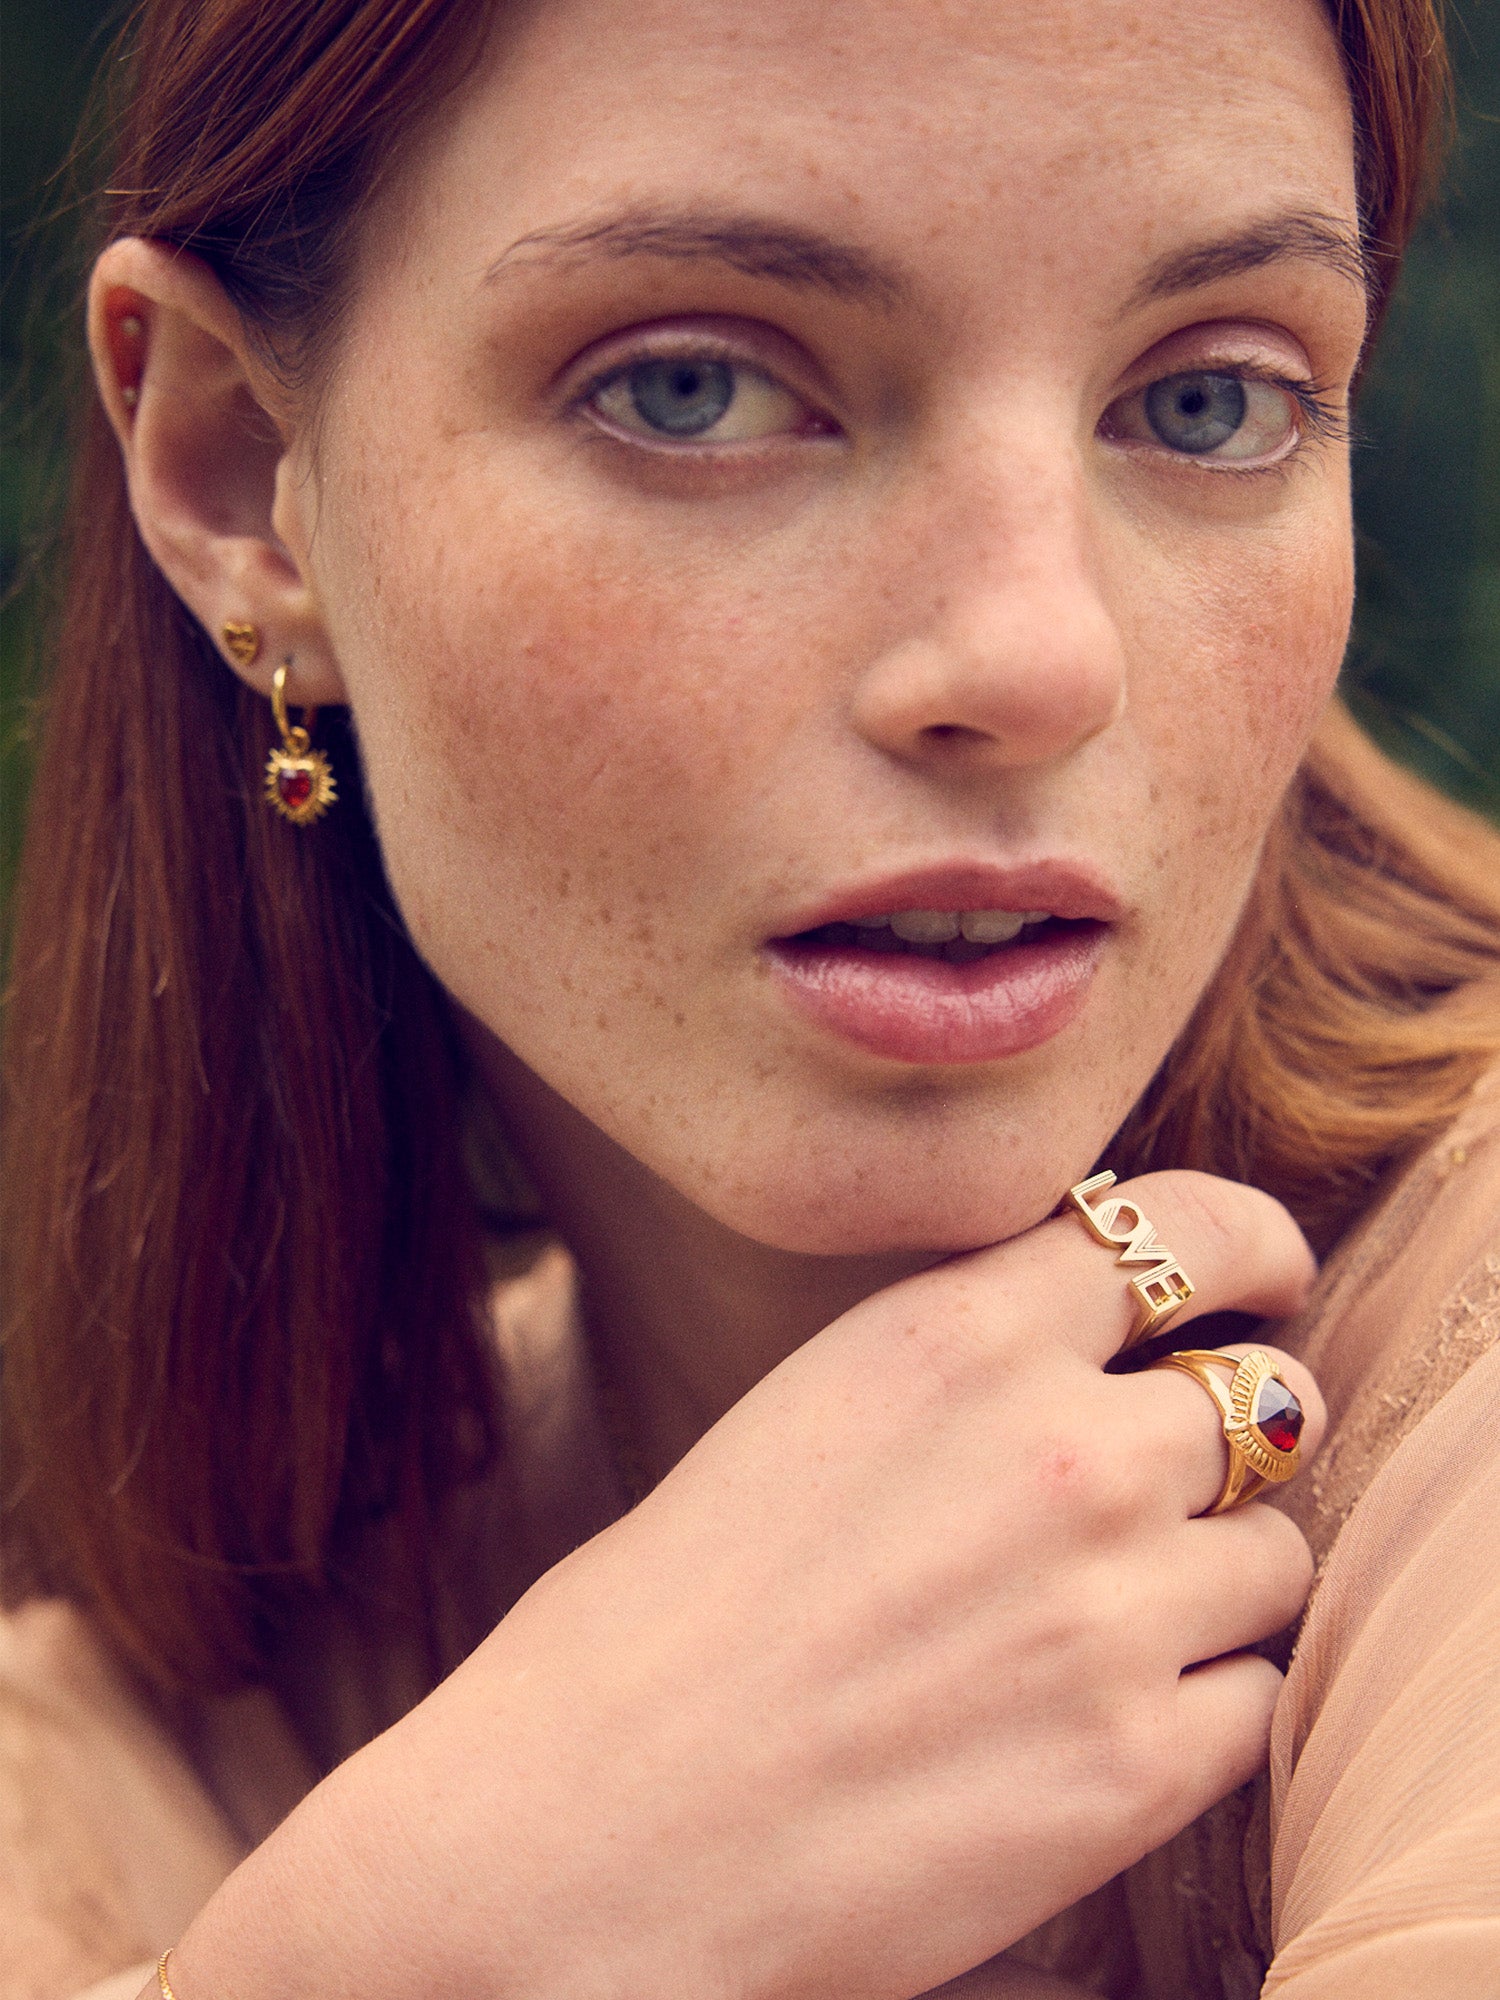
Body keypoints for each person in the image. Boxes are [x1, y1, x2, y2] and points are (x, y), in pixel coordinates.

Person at [2, 0, 1498, 1993]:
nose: (1035, 656)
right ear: (241, 473)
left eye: (1210, 399)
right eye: (696, 386)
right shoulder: (149, 1705)